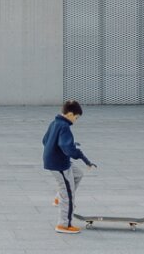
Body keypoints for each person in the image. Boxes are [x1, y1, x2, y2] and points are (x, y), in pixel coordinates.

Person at [42, 100, 97, 234]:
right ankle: (63, 225)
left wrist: (69, 145)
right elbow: (67, 148)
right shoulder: (65, 127)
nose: (76, 121)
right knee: (68, 195)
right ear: (70, 114)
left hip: (55, 160)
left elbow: (45, 140)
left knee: (78, 174)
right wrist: (85, 159)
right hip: (59, 164)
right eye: (76, 118)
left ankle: (58, 197)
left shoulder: (54, 123)